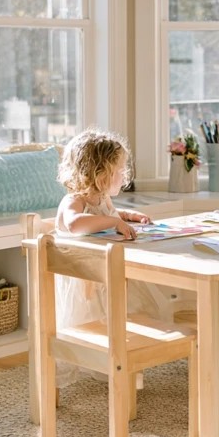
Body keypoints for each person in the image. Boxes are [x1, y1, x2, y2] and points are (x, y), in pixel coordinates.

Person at [54, 129, 165, 381]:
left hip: (106, 274)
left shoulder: (101, 197)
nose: (124, 175)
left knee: (134, 312)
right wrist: (113, 223)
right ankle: (106, 362)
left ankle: (122, 361)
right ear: (99, 173)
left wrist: (126, 216)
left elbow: (107, 212)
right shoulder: (74, 200)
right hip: (86, 281)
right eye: (119, 169)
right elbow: (74, 223)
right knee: (94, 324)